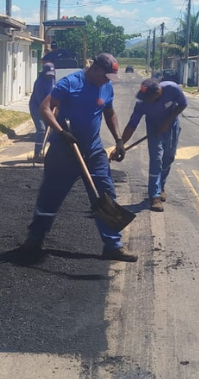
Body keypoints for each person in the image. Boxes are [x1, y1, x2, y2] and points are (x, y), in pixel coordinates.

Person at [22, 53, 137, 262]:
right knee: (50, 196)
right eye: (106, 76)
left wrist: (119, 139)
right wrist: (60, 133)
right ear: (95, 68)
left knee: (106, 195)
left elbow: (109, 112)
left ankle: (113, 245)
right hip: (64, 152)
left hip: (93, 151)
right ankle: (34, 239)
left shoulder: (107, 86)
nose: (107, 81)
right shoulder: (70, 83)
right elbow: (45, 109)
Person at [119, 78, 188, 212]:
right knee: (156, 159)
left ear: (157, 93)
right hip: (154, 129)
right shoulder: (141, 104)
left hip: (172, 127)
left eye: (147, 98)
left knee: (168, 158)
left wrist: (168, 121)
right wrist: (120, 143)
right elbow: (132, 125)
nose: (145, 100)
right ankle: (154, 196)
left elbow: (183, 104)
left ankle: (161, 186)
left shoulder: (172, 88)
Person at [29, 61, 56, 161]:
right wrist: (49, 110)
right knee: (41, 130)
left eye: (52, 75)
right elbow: (41, 101)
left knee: (49, 132)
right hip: (37, 107)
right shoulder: (39, 83)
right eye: (48, 75)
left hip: (48, 107)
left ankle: (44, 152)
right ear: (43, 73)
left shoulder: (53, 79)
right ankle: (37, 153)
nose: (50, 77)